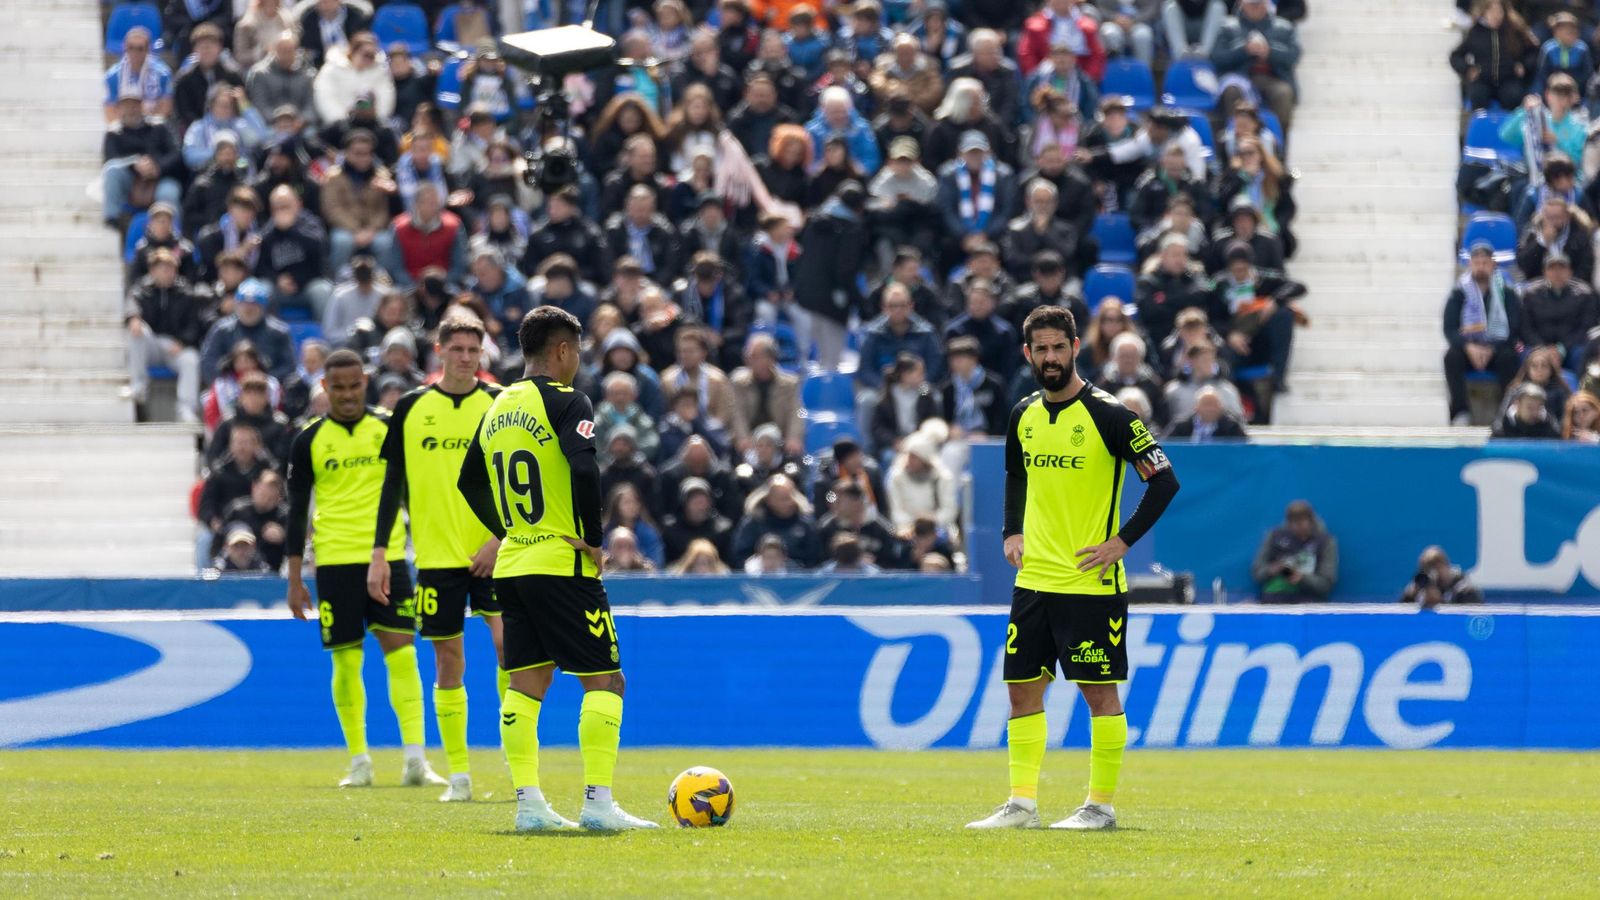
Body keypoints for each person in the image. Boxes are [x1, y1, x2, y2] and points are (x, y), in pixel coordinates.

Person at [967, 304, 1179, 832]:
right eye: (1041, 349)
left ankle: (1100, 807)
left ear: (1076, 348)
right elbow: (1015, 475)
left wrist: (1122, 542)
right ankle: (1021, 804)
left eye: (1059, 347)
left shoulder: (1111, 416)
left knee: (1098, 693)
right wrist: (1011, 531)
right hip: (1034, 578)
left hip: (1090, 583)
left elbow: (1165, 480)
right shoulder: (1023, 415)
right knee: (1021, 689)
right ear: (1027, 354)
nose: (1050, 357)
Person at [456, 307, 659, 831]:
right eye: (578, 351)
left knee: (525, 684)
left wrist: (505, 528)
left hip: (515, 563)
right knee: (607, 682)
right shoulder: (568, 400)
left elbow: (468, 482)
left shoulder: (497, 406)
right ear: (563, 350)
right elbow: (585, 464)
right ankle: (597, 804)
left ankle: (529, 806)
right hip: (560, 563)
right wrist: (592, 540)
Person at [363, 314, 506, 802]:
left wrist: (500, 539)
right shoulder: (410, 407)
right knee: (450, 664)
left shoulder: (500, 402)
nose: (466, 358)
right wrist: (381, 553)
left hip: (494, 554)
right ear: (439, 350)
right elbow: (392, 484)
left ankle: (517, 763)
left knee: (512, 650)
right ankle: (461, 777)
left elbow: (519, 478)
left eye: (474, 350)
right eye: (458, 349)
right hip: (436, 558)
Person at [284, 349, 440, 790]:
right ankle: (360, 761)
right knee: (347, 663)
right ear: (325, 388)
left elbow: (410, 493)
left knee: (404, 654)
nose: (349, 394)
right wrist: (295, 579)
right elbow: (296, 513)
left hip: (389, 558)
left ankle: (415, 759)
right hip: (334, 563)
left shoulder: (387, 428)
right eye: (339, 388)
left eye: (355, 386)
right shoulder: (308, 440)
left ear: (365, 383)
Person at [1445, 242, 1524, 425]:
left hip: (1497, 349)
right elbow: (1449, 329)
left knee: (1509, 357)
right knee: (1451, 357)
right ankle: (1460, 411)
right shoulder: (1459, 293)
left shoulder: (1507, 292)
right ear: (1470, 264)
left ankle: (1506, 411)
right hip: (1469, 349)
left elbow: (1514, 328)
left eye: (1485, 262)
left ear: (1493, 264)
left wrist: (1492, 349)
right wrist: (1469, 346)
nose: (1481, 267)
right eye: (1477, 262)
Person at [126, 248, 205, 423]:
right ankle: (138, 387)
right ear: (152, 270)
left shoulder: (186, 293)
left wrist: (183, 342)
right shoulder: (140, 291)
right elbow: (132, 306)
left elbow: (194, 325)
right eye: (163, 268)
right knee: (137, 331)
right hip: (151, 344)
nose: (167, 272)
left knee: (191, 361)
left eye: (170, 268)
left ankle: (186, 409)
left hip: (175, 346)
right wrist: (133, 318)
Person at [1212, 0, 1302, 133]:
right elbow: (1218, 57)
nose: (1255, 7)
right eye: (1252, 4)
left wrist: (1269, 52)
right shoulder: (1227, 27)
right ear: (1241, 3)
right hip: (1239, 77)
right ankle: (1235, 140)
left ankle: (1277, 143)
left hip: (1273, 78)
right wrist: (1244, 50)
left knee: (1284, 93)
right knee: (1231, 91)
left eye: (1259, 3)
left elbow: (1293, 56)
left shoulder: (1284, 27)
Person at [1451, 0, 1539, 111]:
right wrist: (1468, 69)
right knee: (1477, 95)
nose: (1495, 15)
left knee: (1513, 96)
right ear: (1484, 12)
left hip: (1508, 78)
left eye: (1499, 11)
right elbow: (1456, 56)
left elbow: (1533, 51)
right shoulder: (1476, 32)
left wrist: (1524, 66)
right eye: (1491, 11)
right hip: (1483, 79)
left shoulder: (1515, 29)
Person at [1520, 253, 1598, 373]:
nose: (1557, 273)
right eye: (1552, 269)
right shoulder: (1530, 294)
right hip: (1538, 346)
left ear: (1570, 271)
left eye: (1562, 268)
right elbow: (1526, 328)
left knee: (1582, 353)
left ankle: (1583, 390)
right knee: (1526, 355)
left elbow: (1586, 328)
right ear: (1544, 272)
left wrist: (1561, 349)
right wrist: (1542, 348)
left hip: (1572, 347)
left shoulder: (1585, 294)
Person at [1250, 500, 1338, 603]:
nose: (1296, 527)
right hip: (1274, 600)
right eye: (1292, 522)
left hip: (1310, 602)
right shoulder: (1274, 536)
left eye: (1301, 522)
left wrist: (1302, 578)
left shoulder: (1326, 542)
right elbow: (1257, 573)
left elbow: (1326, 584)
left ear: (1311, 520)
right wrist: (1271, 570)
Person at [1400, 547, 1484, 608]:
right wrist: (1413, 597)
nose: (1435, 576)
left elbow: (1470, 619)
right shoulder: (1419, 589)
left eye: (1438, 568)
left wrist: (1442, 603)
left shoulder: (1465, 591)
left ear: (1447, 567)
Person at [1166, 385, 1248, 440]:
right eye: (1206, 404)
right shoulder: (1181, 426)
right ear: (1196, 407)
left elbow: (1243, 450)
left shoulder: (1232, 427)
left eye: (1214, 404)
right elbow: (1167, 447)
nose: (1210, 409)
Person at [1493, 383, 1563, 439]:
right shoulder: (1501, 427)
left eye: (1538, 408)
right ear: (1517, 405)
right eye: (1530, 408)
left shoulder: (1549, 426)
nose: (1535, 412)